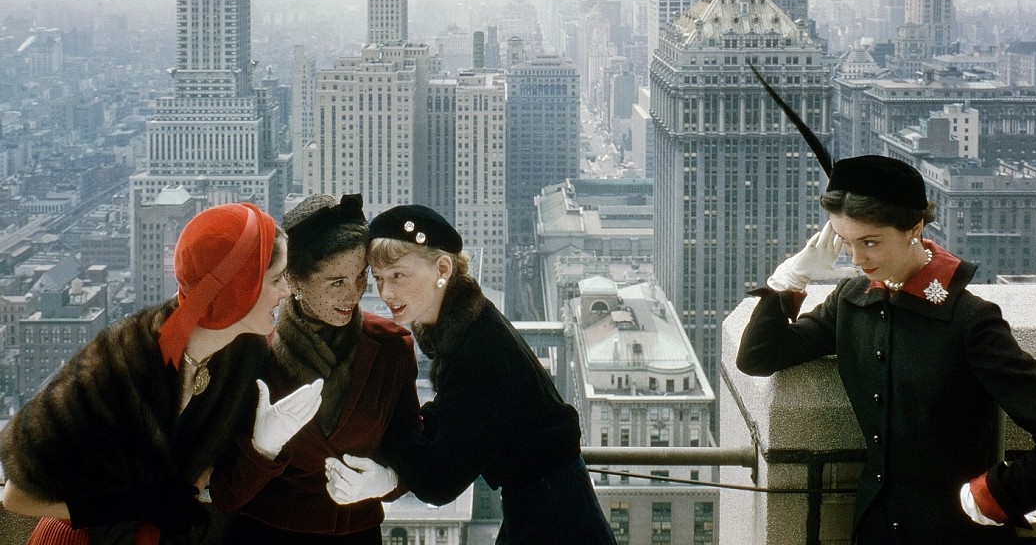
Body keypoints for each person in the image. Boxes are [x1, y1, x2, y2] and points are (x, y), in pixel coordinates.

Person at [737, 153, 1036, 544]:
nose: (857, 259)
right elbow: (759, 357)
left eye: (871, 242)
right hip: (874, 531)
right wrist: (791, 277)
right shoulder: (853, 300)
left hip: (957, 533)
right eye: (845, 243)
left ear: (915, 228)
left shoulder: (970, 321)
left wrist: (992, 496)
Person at [0, 201, 323, 545]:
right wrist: (140, 503)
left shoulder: (244, 357)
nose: (287, 291)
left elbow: (215, 482)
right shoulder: (122, 367)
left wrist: (262, 448)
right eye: (276, 279)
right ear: (237, 289)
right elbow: (16, 495)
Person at [327, 203, 616, 544]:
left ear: (443, 268)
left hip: (554, 519)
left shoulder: (477, 353)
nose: (386, 293)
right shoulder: (469, 325)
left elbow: (439, 485)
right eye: (378, 279)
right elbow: (456, 410)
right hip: (550, 502)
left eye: (398, 276)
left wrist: (385, 425)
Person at [209, 193, 420, 545]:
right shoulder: (252, 352)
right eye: (335, 283)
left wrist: (388, 480)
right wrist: (262, 450)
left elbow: (411, 454)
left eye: (360, 277)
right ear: (294, 281)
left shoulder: (392, 348)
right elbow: (226, 494)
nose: (352, 295)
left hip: (359, 536)